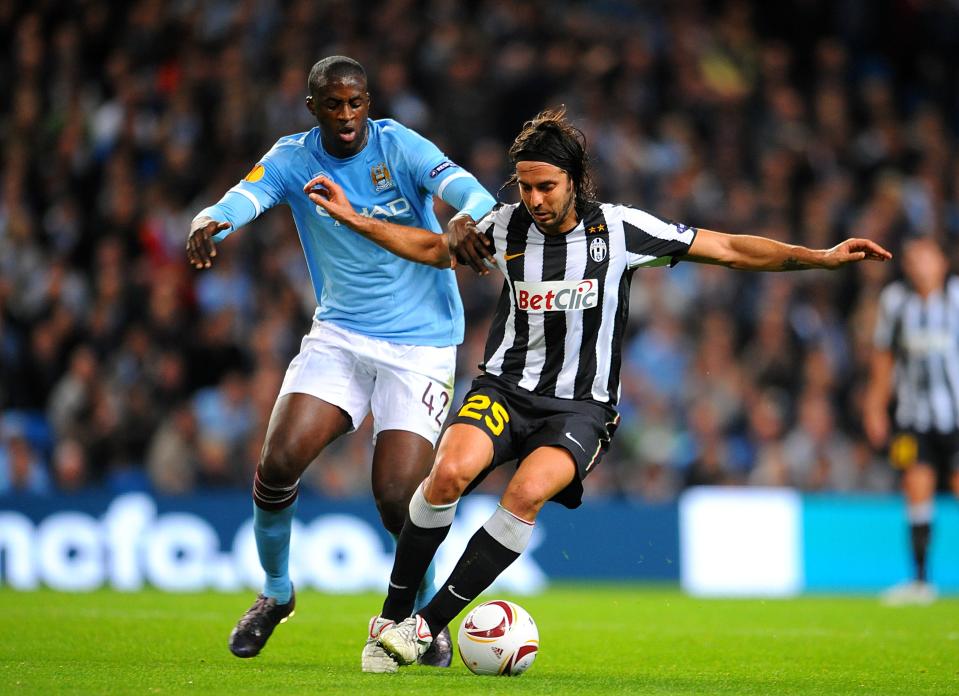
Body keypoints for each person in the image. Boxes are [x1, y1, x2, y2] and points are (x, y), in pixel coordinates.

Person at [305, 106, 892, 671]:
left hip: (582, 409)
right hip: (505, 388)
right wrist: (355, 219)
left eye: (546, 187)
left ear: (575, 180)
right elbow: (433, 249)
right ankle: (390, 615)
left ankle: (425, 626)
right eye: (525, 186)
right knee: (449, 474)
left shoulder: (620, 229)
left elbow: (730, 248)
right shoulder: (505, 225)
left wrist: (820, 257)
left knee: (527, 494)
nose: (533, 200)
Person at [186, 56, 496, 666]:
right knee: (279, 461)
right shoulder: (293, 157)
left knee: (396, 497)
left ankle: (416, 616)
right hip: (341, 336)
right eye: (334, 105)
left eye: (356, 103)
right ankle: (276, 594)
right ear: (313, 108)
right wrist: (210, 222)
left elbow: (472, 192)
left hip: (421, 345)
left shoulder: (399, 146)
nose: (347, 115)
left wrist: (465, 216)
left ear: (369, 102)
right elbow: (243, 197)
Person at [863, 235, 959, 605]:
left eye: (926, 256)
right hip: (912, 416)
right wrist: (875, 406)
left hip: (955, 417)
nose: (918, 264)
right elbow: (883, 358)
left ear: (942, 261)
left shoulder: (955, 298)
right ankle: (920, 582)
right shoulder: (895, 301)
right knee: (915, 488)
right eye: (912, 258)